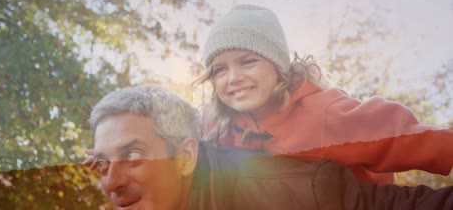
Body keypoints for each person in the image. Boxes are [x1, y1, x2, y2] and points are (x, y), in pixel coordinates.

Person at [193, 4, 453, 185]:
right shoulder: (217, 126)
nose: (233, 77)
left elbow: (402, 136)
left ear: (278, 67)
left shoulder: (323, 115)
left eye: (248, 61)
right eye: (219, 70)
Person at [88, 85, 453, 210]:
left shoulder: (294, 189)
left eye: (134, 154)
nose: (113, 182)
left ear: (185, 156)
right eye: (104, 163)